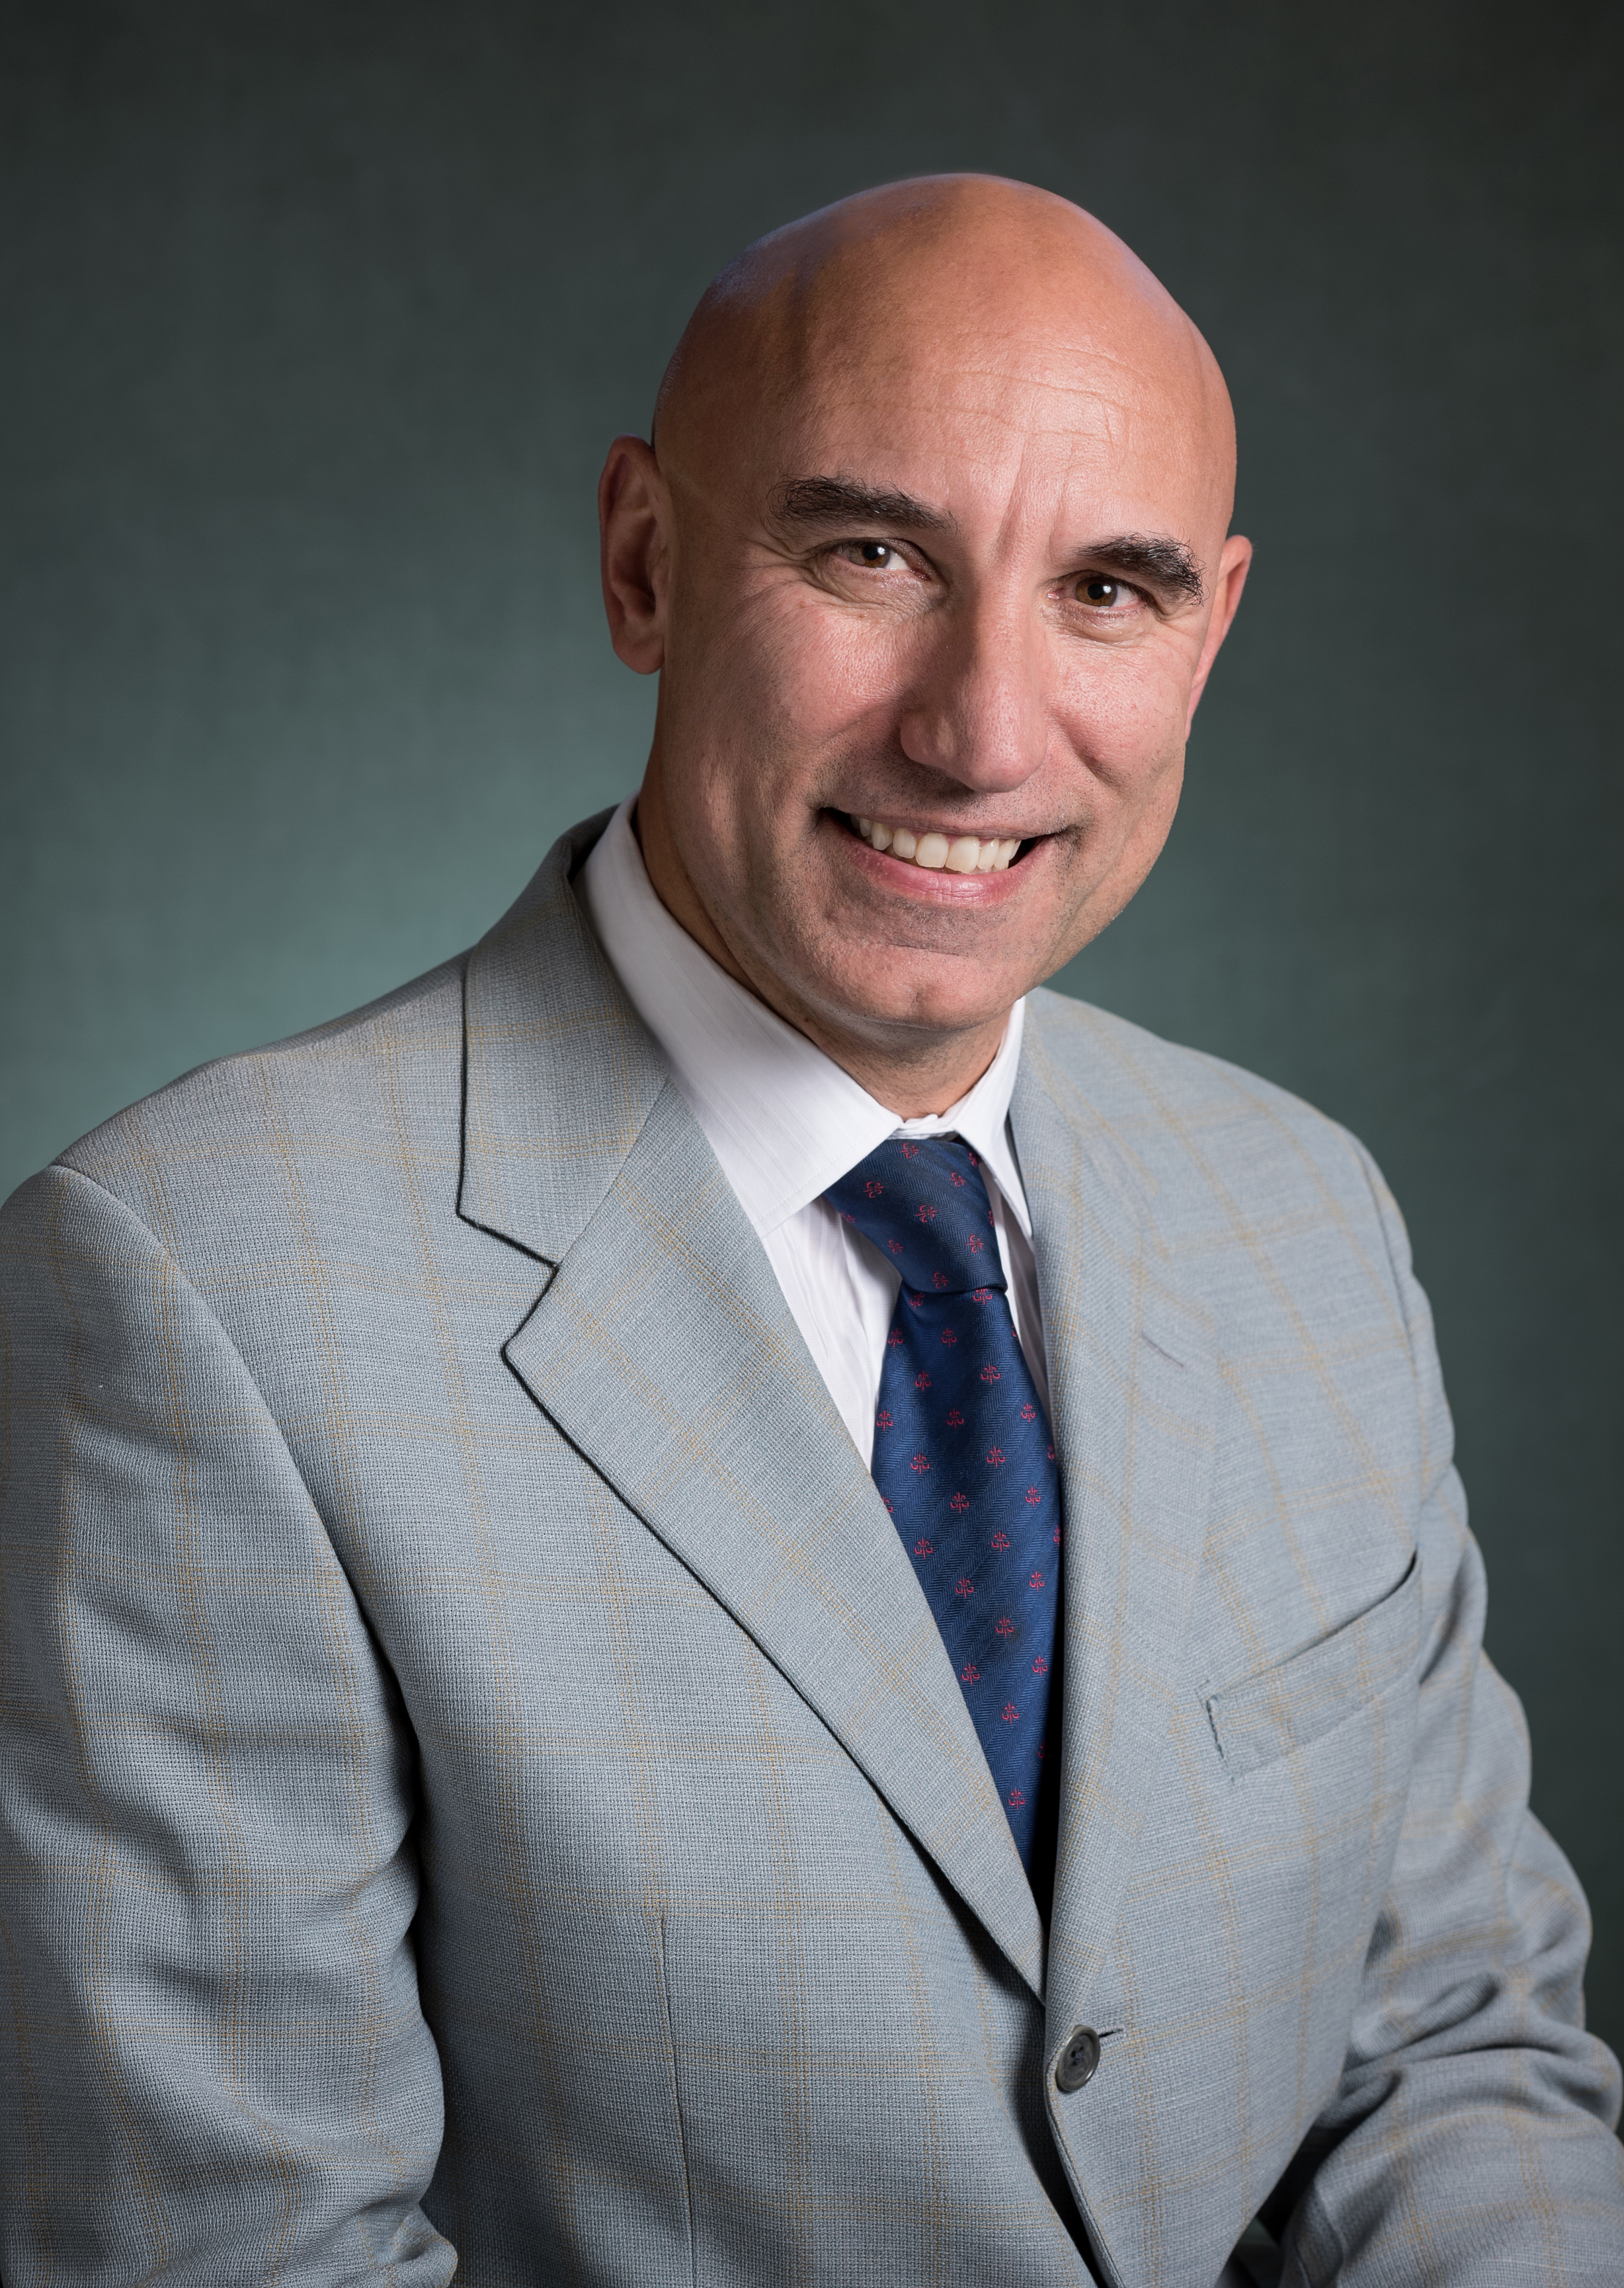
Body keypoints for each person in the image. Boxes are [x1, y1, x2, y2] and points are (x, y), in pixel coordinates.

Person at [0, 175, 1619, 2288]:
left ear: (1211, 631)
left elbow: (1455, 2060)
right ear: (645, 561)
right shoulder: (188, 1291)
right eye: (874, 555)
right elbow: (231, 2259)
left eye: (1107, 594)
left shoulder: (1303, 1214)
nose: (982, 730)